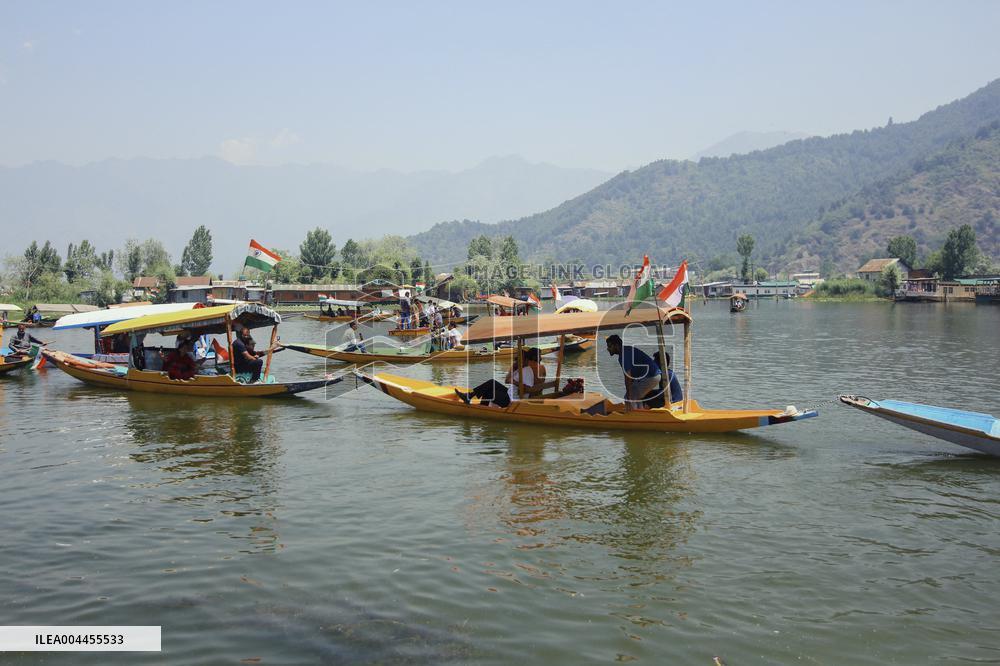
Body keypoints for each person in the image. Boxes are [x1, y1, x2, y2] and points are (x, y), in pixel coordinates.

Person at [454, 354, 537, 408]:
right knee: (492, 382)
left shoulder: (526, 371)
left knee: (489, 392)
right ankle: (470, 397)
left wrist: (514, 382)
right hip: (509, 393)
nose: (516, 361)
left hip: (511, 400)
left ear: (526, 360)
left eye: (518, 359)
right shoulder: (519, 369)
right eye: (516, 359)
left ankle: (481, 407)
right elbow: (506, 380)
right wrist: (513, 367)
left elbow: (528, 388)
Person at [605, 334, 661, 410]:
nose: (608, 349)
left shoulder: (624, 355)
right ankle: (640, 413)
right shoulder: (625, 351)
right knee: (635, 396)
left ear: (616, 345)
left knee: (630, 397)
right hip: (653, 375)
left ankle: (633, 416)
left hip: (650, 376)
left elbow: (628, 377)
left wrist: (629, 394)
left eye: (609, 346)